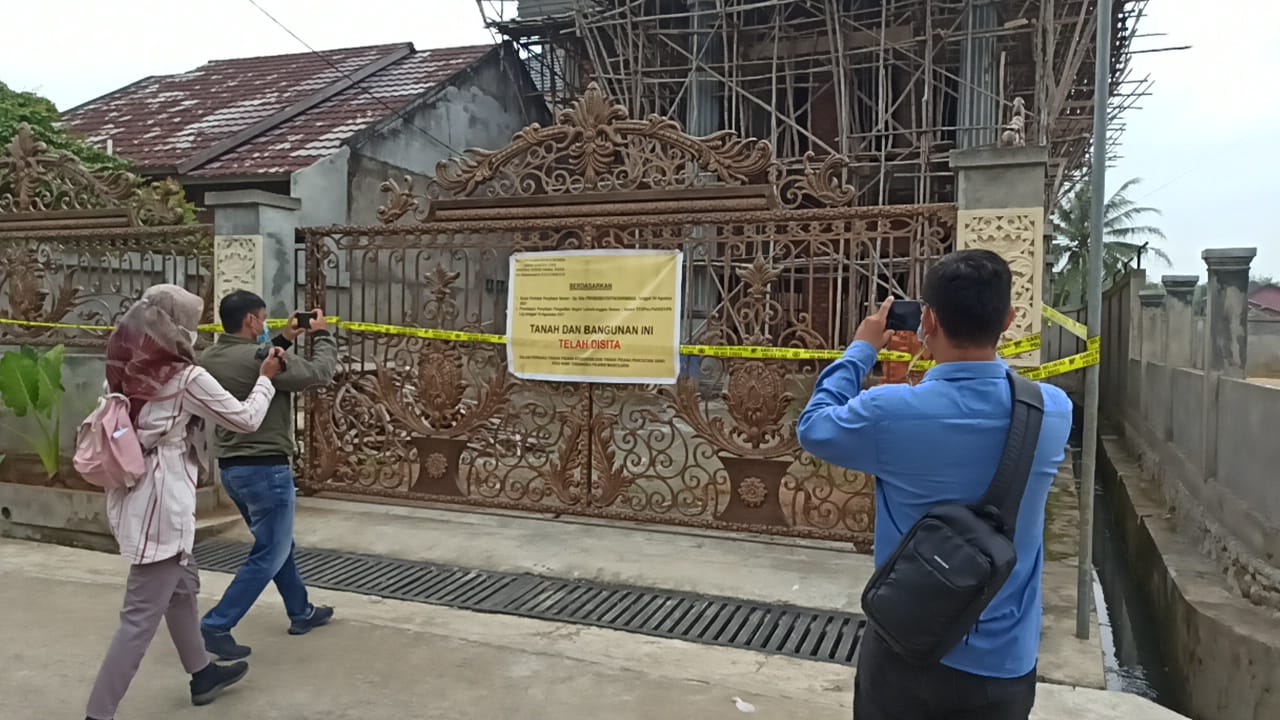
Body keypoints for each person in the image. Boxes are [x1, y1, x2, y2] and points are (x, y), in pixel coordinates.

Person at [797, 250, 1072, 720]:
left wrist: (863, 348)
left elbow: (814, 426)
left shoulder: (888, 412)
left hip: (907, 651)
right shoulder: (1053, 411)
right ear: (1008, 318)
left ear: (927, 321)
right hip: (1003, 666)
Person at [86, 284, 284, 720]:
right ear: (175, 329)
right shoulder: (184, 377)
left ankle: (202, 673)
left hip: (136, 490)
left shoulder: (123, 367)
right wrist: (266, 380)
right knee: (139, 618)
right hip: (162, 503)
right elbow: (245, 420)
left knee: (182, 588)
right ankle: (98, 714)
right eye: (189, 325)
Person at [197, 290, 338, 660]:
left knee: (277, 546)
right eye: (261, 319)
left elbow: (252, 359)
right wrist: (321, 334)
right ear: (250, 322)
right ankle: (216, 624)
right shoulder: (263, 357)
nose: (264, 325)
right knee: (268, 553)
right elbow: (319, 374)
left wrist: (287, 338)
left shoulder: (209, 357)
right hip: (266, 470)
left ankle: (301, 611)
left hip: (233, 471)